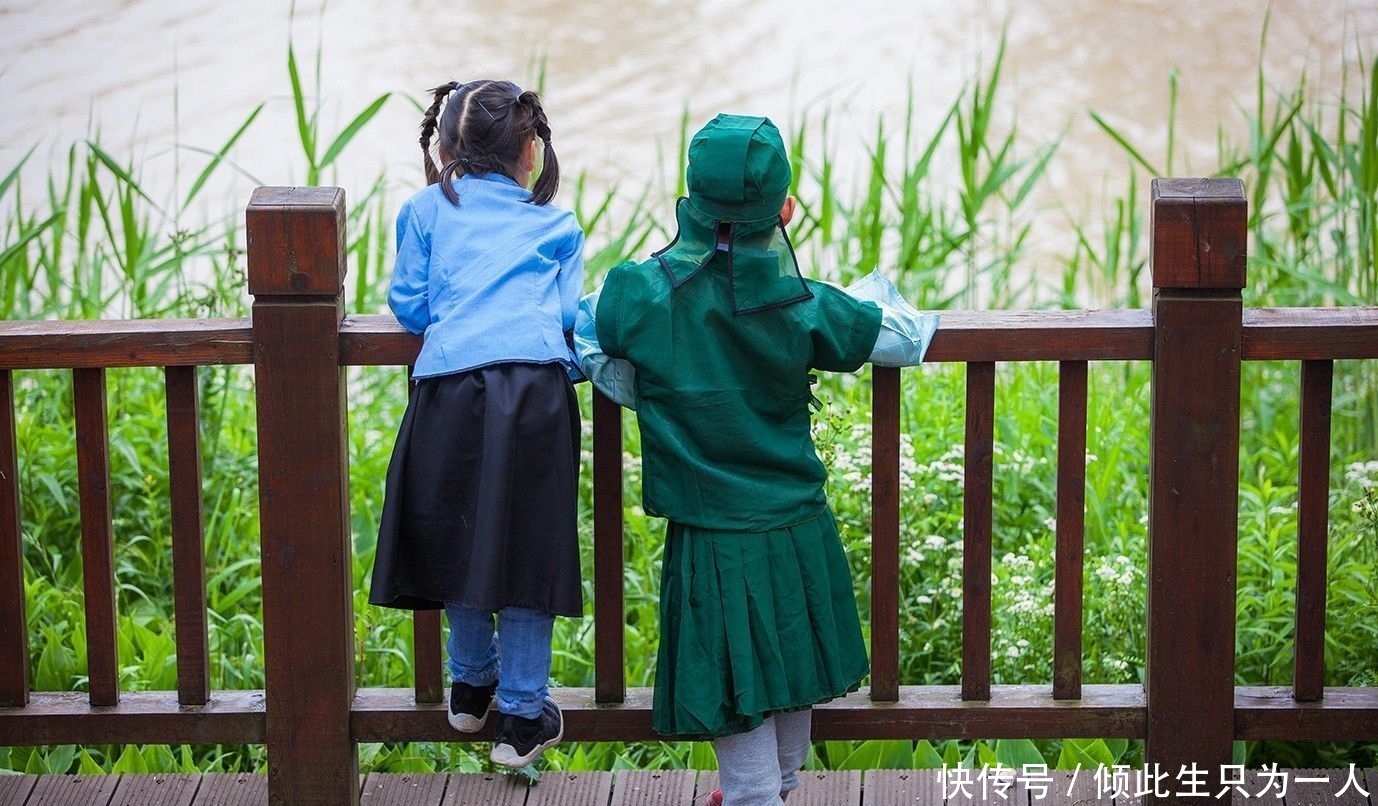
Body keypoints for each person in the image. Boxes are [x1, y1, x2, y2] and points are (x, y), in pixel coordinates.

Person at [583, 113, 937, 806]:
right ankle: (768, 791)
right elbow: (908, 337)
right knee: (786, 664)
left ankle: (756, 795)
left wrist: (637, 387)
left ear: (688, 200)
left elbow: (585, 332)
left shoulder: (639, 293)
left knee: (738, 680)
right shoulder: (803, 305)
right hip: (793, 524)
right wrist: (870, 294)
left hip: (713, 534)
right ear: (786, 207)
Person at [368, 79, 585, 769]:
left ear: (446, 145)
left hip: (449, 391)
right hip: (535, 396)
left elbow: (408, 304)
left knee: (457, 535)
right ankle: (521, 718)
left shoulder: (426, 210)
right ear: (531, 150)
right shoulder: (557, 225)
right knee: (527, 551)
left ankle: (469, 688)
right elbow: (571, 320)